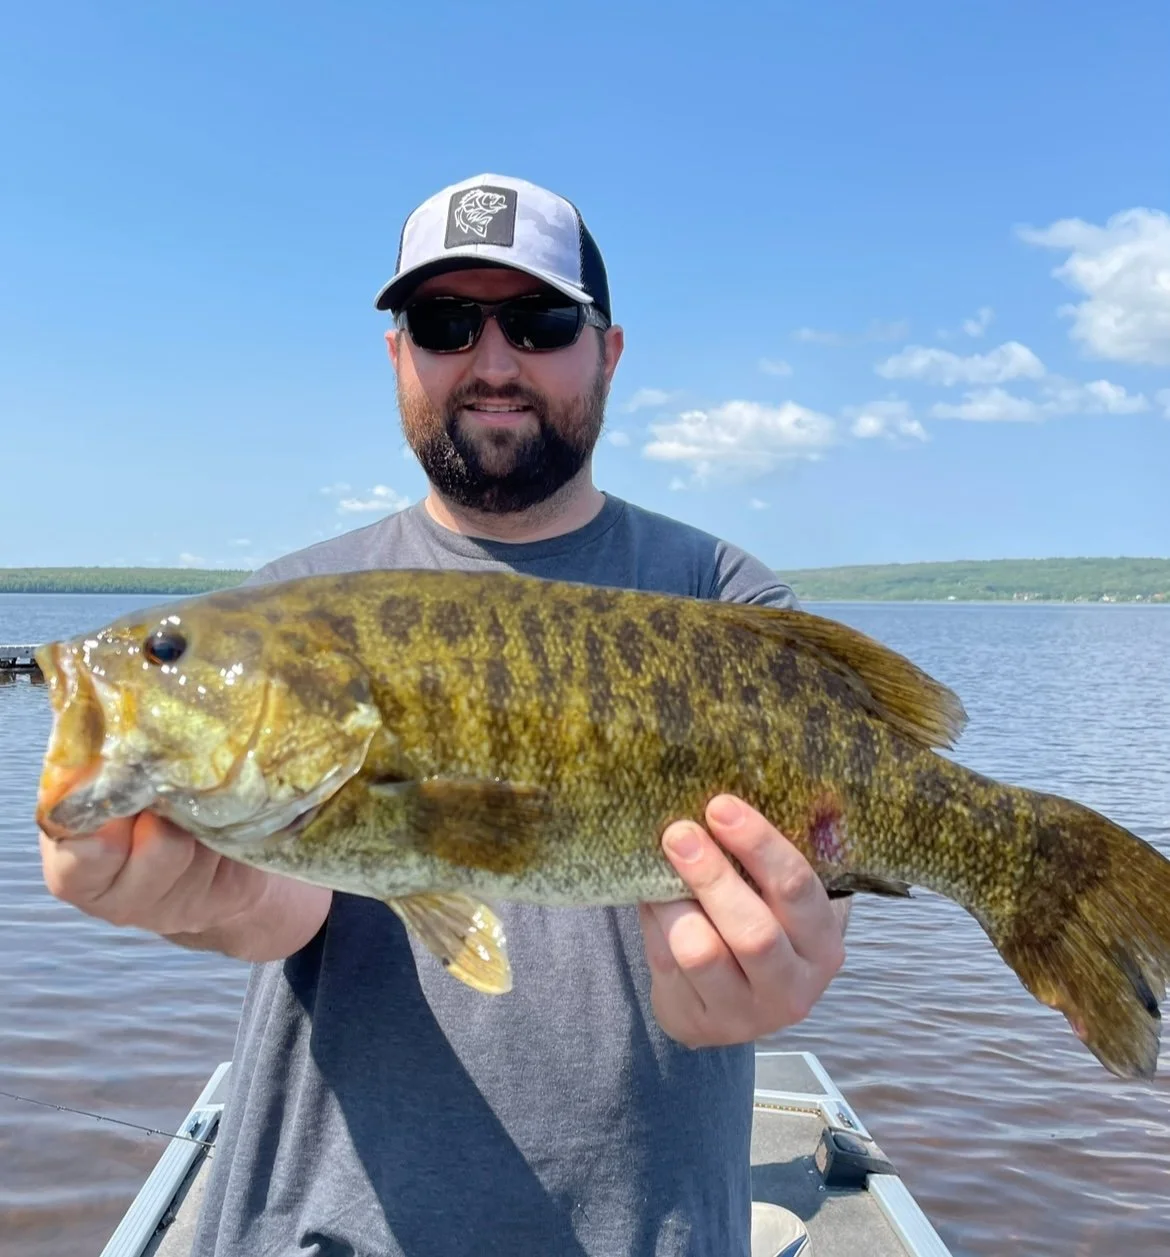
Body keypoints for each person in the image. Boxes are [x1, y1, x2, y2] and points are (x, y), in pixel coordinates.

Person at [40, 173, 848, 1257]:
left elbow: (835, 856)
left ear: (609, 352)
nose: (493, 360)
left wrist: (780, 966)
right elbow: (286, 903)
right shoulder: (289, 602)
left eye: (541, 321)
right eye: (444, 322)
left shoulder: (723, 600)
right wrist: (212, 897)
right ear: (396, 355)